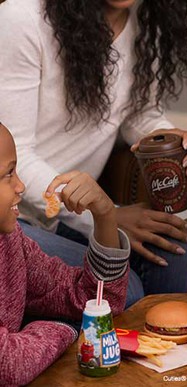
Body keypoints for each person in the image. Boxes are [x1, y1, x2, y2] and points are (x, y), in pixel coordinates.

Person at [0, 0, 187, 304]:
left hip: (69, 217)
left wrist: (169, 140)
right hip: (15, 218)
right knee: (126, 290)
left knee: (170, 248)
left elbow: (138, 113)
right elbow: (17, 156)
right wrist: (106, 215)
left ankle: (165, 346)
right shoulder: (23, 18)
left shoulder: (146, 19)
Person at [0, 123, 130, 385]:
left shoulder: (11, 241)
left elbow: (95, 300)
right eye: (8, 174)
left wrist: (105, 216)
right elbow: (9, 365)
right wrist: (67, 330)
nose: (21, 186)